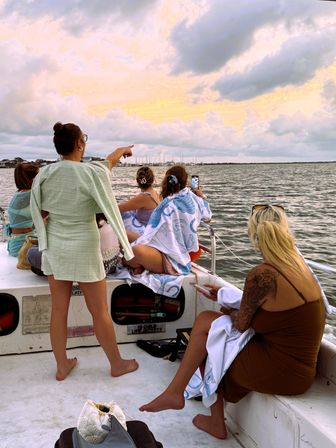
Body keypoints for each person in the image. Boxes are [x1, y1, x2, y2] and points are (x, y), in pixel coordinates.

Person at [139, 204, 326, 440]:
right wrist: (224, 298)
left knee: (208, 334)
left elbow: (241, 324)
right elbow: (274, 315)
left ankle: (201, 411)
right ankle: (177, 393)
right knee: (209, 325)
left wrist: (227, 307)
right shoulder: (300, 267)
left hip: (282, 372)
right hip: (303, 371)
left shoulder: (263, 275)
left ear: (256, 236)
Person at [30, 121, 138, 381]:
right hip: (85, 247)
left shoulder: (45, 174)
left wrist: (119, 151)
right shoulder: (92, 172)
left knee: (58, 310)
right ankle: (116, 364)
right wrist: (121, 150)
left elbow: (38, 209)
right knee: (99, 310)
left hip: (56, 246)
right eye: (84, 139)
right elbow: (107, 164)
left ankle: (61, 365)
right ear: (80, 144)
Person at [126, 165, 212, 274]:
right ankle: (143, 264)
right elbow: (208, 217)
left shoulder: (167, 204)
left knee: (131, 253)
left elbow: (152, 232)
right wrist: (201, 195)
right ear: (186, 181)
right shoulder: (195, 200)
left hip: (175, 257)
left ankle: (141, 264)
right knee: (131, 248)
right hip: (189, 251)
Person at [118, 166, 161, 242]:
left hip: (146, 234)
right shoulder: (155, 193)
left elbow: (118, 208)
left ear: (137, 180)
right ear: (153, 179)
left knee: (117, 224)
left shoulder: (145, 196)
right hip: (153, 231)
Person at [6, 162, 39, 256]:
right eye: (38, 176)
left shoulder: (20, 194)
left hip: (24, 240)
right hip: (22, 246)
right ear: (32, 179)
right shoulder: (25, 196)